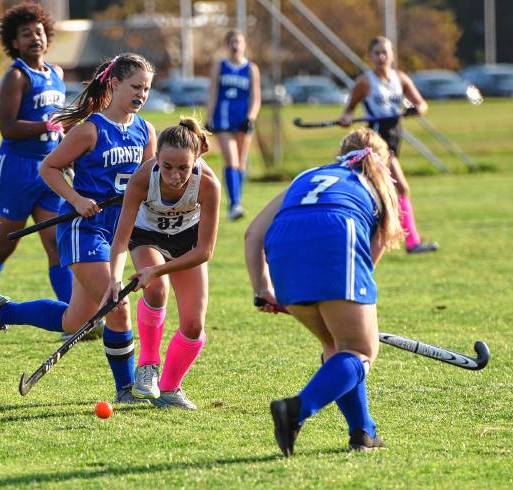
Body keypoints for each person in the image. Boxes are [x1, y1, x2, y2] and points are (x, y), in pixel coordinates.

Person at [0, 53, 157, 404]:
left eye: (147, 89)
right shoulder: (90, 129)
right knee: (116, 303)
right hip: (83, 229)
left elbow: (147, 179)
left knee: (76, 319)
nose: (141, 94)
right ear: (115, 83)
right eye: (135, 86)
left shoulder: (145, 130)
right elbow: (49, 168)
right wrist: (76, 200)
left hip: (117, 231)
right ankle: (126, 389)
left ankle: (4, 311)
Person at [244, 128, 403, 455]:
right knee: (360, 350)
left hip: (283, 250)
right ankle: (296, 410)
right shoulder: (377, 187)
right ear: (382, 161)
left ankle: (363, 432)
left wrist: (262, 288)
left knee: (336, 347)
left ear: (341, 154)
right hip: (335, 237)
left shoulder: (308, 175)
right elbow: (369, 259)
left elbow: (253, 233)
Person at [0, 3, 73, 341]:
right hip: (16, 168)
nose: (35, 38)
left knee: (56, 242)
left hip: (51, 167)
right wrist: (43, 125)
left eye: (39, 32)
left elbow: (58, 122)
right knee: (7, 243)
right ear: (14, 42)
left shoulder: (57, 73)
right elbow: (7, 127)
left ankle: (72, 314)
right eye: (26, 34)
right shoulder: (17, 75)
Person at [103, 117, 221, 410]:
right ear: (156, 158)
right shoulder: (143, 178)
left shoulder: (208, 184)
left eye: (183, 167)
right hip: (147, 237)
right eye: (167, 167)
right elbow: (120, 241)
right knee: (156, 290)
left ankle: (169, 389)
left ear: (196, 159)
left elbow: (205, 251)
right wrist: (115, 280)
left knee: (193, 326)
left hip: (187, 243)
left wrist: (157, 270)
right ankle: (148, 365)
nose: (175, 175)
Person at [339, 35, 438, 254]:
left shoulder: (400, 79)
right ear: (370, 56)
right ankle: (411, 242)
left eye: (385, 52)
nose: (381, 57)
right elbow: (348, 112)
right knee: (401, 187)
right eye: (377, 53)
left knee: (380, 191)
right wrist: (345, 118)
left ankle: (371, 237)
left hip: (394, 137)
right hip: (377, 142)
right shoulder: (365, 83)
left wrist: (416, 109)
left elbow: (422, 104)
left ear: (392, 54)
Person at [206, 29, 261, 221]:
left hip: (242, 119)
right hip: (223, 118)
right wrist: (209, 117)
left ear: (244, 44)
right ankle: (234, 204)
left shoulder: (251, 68)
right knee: (231, 160)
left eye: (238, 41)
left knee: (241, 161)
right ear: (227, 45)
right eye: (231, 42)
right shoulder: (220, 66)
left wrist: (251, 117)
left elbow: (256, 98)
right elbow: (213, 93)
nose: (235, 45)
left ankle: (236, 201)